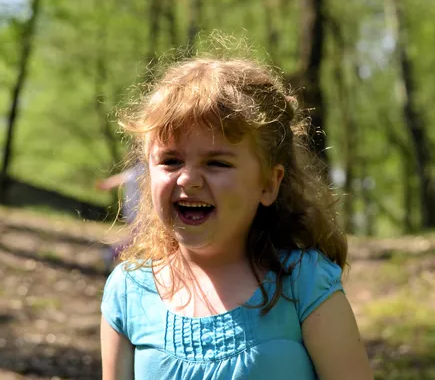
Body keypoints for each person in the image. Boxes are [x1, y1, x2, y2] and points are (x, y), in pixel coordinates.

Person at [100, 54, 373, 380]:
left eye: (217, 163)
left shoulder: (303, 284)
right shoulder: (128, 292)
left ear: (269, 184)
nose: (188, 179)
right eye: (171, 161)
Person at [96, 161, 146, 272]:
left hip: (133, 212)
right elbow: (120, 179)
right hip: (138, 212)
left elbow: (119, 179)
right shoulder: (141, 170)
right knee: (138, 238)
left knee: (138, 238)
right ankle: (112, 253)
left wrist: (106, 184)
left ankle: (113, 253)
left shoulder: (136, 171)